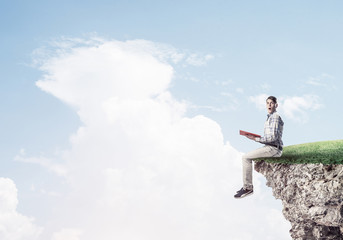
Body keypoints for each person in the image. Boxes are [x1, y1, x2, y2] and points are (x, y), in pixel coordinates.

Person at [234, 96, 284, 199]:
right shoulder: (269, 117)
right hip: (270, 146)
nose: (269, 105)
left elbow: (272, 137)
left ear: (276, 105)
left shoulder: (275, 117)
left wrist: (256, 139)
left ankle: (248, 188)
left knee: (245, 157)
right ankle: (247, 187)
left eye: (271, 103)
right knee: (247, 156)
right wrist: (255, 137)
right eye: (267, 103)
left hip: (273, 148)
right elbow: (269, 137)